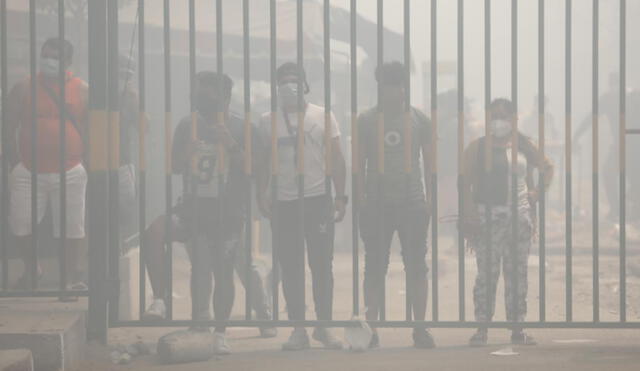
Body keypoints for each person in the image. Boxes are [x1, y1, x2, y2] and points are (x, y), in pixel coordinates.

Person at [257, 62, 347, 351]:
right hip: (284, 202)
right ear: (276, 86)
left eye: (294, 80)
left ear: (305, 84)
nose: (288, 85)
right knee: (290, 266)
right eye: (283, 80)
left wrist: (341, 195)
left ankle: (323, 326)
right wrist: (262, 193)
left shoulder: (323, 115)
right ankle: (298, 328)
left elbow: (336, 156)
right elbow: (262, 161)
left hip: (317, 199)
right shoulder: (267, 120)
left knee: (322, 266)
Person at [460, 98, 554, 347]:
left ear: (513, 119)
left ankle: (517, 327)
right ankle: (481, 327)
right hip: (488, 218)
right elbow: (464, 182)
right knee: (487, 275)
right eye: (494, 116)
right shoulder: (478, 148)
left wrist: (537, 194)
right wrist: (469, 213)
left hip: (519, 218)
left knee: (517, 275)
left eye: (503, 115)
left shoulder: (523, 145)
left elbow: (547, 167)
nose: (498, 121)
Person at [356, 61, 435, 349]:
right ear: (380, 86)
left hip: (412, 201)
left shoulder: (419, 119)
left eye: (400, 83)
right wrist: (362, 199)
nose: (395, 90)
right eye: (390, 83)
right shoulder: (366, 120)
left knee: (416, 266)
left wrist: (429, 200)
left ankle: (420, 328)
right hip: (377, 203)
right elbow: (359, 162)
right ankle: (372, 329)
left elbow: (430, 162)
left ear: (406, 86)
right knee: (375, 266)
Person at [5, 38, 88, 295]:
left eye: (55, 57)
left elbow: (89, 127)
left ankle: (69, 278)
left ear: (68, 62)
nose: (48, 61)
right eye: (45, 55)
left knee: (71, 227)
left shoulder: (82, 89)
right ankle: (33, 270)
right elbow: (7, 126)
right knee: (20, 224)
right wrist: (14, 161)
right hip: (28, 170)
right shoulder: (24, 87)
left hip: (71, 169)